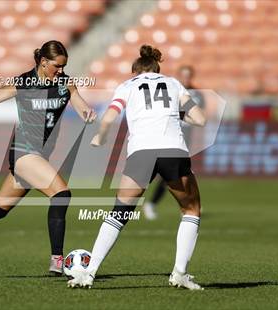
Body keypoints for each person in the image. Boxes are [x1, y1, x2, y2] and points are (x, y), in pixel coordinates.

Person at [0, 40, 97, 275]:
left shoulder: (66, 83)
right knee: (61, 194)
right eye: (57, 66)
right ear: (43, 63)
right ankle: (57, 260)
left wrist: (87, 113)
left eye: (64, 66)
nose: (61, 71)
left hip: (38, 156)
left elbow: (80, 104)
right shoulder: (23, 83)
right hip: (23, 152)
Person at [68, 45, 206, 290]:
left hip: (141, 153)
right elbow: (200, 119)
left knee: (118, 213)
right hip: (173, 150)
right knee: (191, 209)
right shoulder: (173, 83)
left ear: (135, 72)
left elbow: (110, 115)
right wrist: (176, 114)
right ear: (157, 68)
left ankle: (88, 274)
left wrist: (100, 136)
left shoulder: (127, 86)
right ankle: (179, 274)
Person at [142, 65, 206, 220]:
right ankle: (155, 203)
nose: (186, 78)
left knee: (177, 175)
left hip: (185, 138)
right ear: (178, 76)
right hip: (167, 137)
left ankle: (186, 204)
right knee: (168, 175)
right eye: (183, 75)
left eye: (188, 75)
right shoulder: (170, 89)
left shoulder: (197, 94)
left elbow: (200, 115)